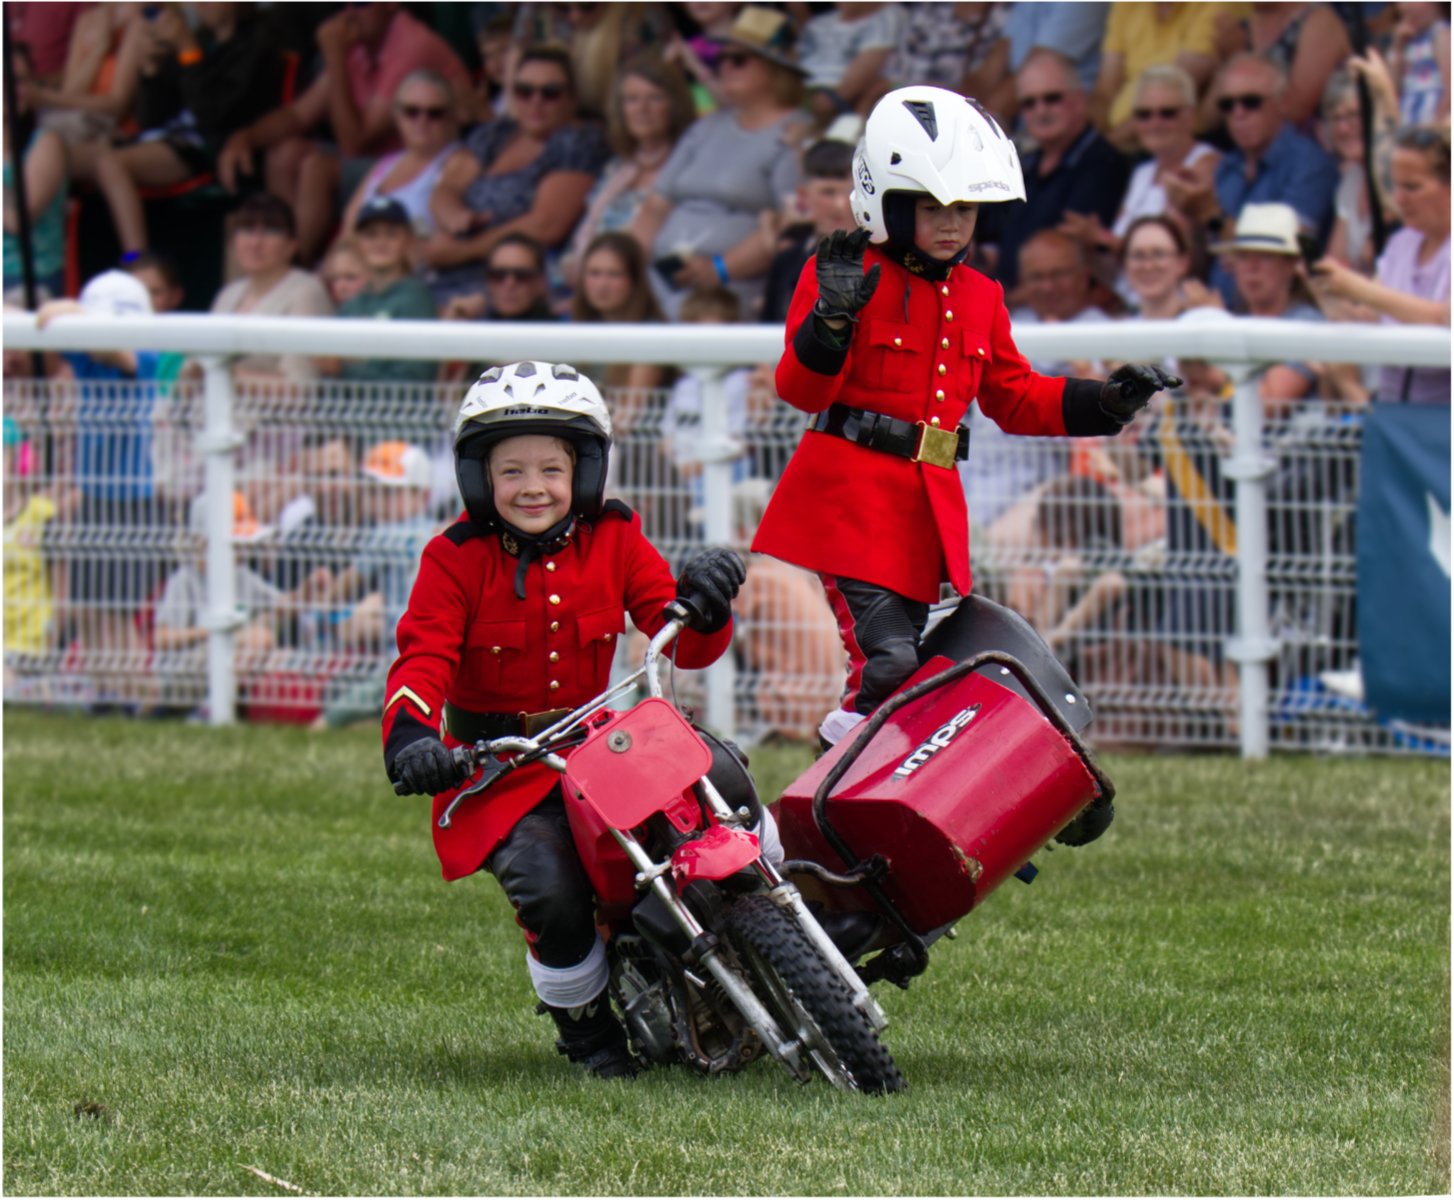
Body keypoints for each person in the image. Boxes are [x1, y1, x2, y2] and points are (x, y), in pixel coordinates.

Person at [749, 86, 1179, 748]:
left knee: (914, 673)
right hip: (849, 502)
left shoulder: (981, 295)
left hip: (930, 512)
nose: (953, 223)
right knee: (888, 664)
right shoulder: (842, 271)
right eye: (932, 207)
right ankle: (843, 772)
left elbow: (1016, 396)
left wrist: (1105, 402)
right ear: (888, 202)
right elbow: (800, 390)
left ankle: (884, 797)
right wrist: (829, 323)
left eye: (966, 208)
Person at [382, 360, 747, 1079]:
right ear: (478, 478)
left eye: (551, 468)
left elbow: (686, 640)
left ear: (583, 471)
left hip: (595, 741)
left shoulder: (613, 537)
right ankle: (584, 1027)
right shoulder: (453, 559)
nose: (532, 487)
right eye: (511, 471)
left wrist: (706, 599)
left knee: (722, 782)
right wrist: (412, 735)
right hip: (497, 763)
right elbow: (422, 657)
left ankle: (778, 929)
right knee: (548, 884)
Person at [215, 2, 475, 263]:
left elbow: (355, 144)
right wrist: (245, 138)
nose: (349, 12)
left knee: (318, 168)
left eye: (361, 4)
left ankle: (290, 266)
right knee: (284, 154)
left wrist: (335, 58)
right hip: (383, 164)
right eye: (342, 3)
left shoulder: (411, 45)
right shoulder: (359, 43)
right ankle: (283, 251)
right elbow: (299, 115)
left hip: (424, 163)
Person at [35, 269, 164, 713]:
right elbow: (39, 323)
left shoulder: (143, 357)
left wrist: (73, 313)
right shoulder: (86, 357)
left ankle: (141, 702)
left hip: (133, 504)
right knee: (87, 607)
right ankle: (107, 696)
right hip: (95, 499)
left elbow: (116, 351)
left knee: (113, 611)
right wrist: (62, 313)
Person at [631, 5, 810, 320]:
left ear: (774, 69)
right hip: (659, 281)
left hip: (728, 293)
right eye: (720, 59)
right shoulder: (706, 126)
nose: (724, 67)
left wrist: (719, 270)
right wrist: (631, 265)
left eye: (738, 60)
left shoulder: (795, 135)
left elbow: (790, 222)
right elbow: (657, 204)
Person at [89, 2, 285, 255]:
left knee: (109, 163)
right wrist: (151, 69)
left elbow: (214, 116)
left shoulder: (258, 41)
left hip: (212, 148)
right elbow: (151, 119)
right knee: (66, 154)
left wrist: (188, 51)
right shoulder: (201, 38)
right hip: (164, 138)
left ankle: (137, 258)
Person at [422, 44, 610, 304]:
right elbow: (446, 188)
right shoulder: (495, 134)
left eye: (550, 93)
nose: (536, 101)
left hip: (515, 281)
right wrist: (455, 216)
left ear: (572, 98)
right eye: (524, 91)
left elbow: (546, 226)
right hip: (448, 270)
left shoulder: (578, 141)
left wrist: (463, 250)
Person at [1172, 53, 1339, 306]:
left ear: (1282, 102)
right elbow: (1206, 259)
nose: (1238, 113)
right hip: (1219, 314)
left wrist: (1211, 214)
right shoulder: (1226, 167)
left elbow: (1288, 252)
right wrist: (1189, 219)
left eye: (1251, 102)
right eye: (1227, 105)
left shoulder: (1310, 165)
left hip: (1283, 318)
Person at [1313, 125, 1451, 405]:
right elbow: (1369, 315)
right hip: (1394, 416)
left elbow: (1443, 318)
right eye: (1395, 185)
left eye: (1412, 187)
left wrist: (1360, 289)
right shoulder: (1401, 244)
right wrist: (1327, 292)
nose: (1399, 199)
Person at [977, 48, 1129, 293]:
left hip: (1059, 309)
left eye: (1052, 98)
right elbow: (995, 234)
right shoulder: (1026, 165)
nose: (1040, 110)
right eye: (1029, 103)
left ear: (1080, 100)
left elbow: (1066, 258)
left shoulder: (1102, 164)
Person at [562, 54, 698, 288]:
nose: (642, 109)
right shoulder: (617, 167)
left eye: (655, 98)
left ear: (675, 105)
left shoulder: (690, 169)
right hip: (586, 288)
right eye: (632, 100)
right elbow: (583, 237)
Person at [208, 192, 334, 386]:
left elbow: (299, 388)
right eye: (247, 230)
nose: (255, 243)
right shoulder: (228, 294)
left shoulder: (306, 291)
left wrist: (224, 376)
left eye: (270, 232)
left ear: (292, 245)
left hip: (271, 415)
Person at [338, 69, 464, 240]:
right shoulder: (385, 165)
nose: (422, 121)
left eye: (434, 113)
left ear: (450, 118)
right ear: (397, 115)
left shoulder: (458, 161)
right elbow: (348, 230)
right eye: (412, 111)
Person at [328, 196, 437, 385]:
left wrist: (343, 370)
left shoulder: (415, 299)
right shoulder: (353, 305)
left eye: (391, 234)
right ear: (358, 242)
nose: (381, 242)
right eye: (371, 234)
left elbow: (413, 380)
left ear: (409, 240)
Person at [1089, 2, 1224, 152]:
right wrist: (1094, 143)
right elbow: (1105, 92)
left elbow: (1171, 95)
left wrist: (1108, 148)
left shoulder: (1214, 5)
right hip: (1119, 144)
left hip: (1168, 142)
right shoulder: (1125, 5)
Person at [760, 136, 857, 326]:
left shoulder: (882, 263)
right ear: (804, 196)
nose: (840, 205)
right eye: (828, 192)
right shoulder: (786, 261)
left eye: (851, 193)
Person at [863, 3, 1013, 123]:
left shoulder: (1006, 14)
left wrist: (907, 90)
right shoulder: (930, 6)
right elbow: (888, 78)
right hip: (896, 107)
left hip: (944, 121)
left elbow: (978, 89)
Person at [568, 231, 670, 398]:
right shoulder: (575, 330)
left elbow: (630, 412)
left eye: (614, 274)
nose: (602, 285)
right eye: (595, 273)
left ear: (634, 281)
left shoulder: (650, 336)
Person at [795, 1, 906, 128]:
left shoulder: (888, 17)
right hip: (794, 98)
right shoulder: (818, 23)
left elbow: (850, 88)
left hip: (836, 106)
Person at [1388, 1, 1451, 128]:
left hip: (1432, 126)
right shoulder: (1409, 40)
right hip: (1409, 123)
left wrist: (1438, 126)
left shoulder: (1442, 34)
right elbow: (1392, 87)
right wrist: (1397, 48)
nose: (1403, 6)